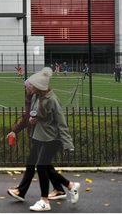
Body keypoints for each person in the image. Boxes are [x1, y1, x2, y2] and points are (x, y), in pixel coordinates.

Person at [14, 67, 80, 212]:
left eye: (32, 85)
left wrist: (68, 144)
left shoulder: (52, 100)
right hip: (40, 137)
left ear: (38, 87)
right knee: (46, 167)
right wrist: (32, 120)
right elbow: (36, 115)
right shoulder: (37, 97)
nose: (29, 88)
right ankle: (70, 186)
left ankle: (44, 201)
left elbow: (61, 122)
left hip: (52, 139)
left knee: (42, 166)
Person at [6, 78, 66, 204]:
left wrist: (15, 130)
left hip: (44, 138)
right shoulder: (33, 97)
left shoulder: (37, 98)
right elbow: (29, 117)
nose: (26, 89)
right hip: (38, 136)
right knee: (42, 166)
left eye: (27, 87)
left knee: (38, 165)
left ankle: (65, 188)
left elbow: (28, 117)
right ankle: (60, 189)